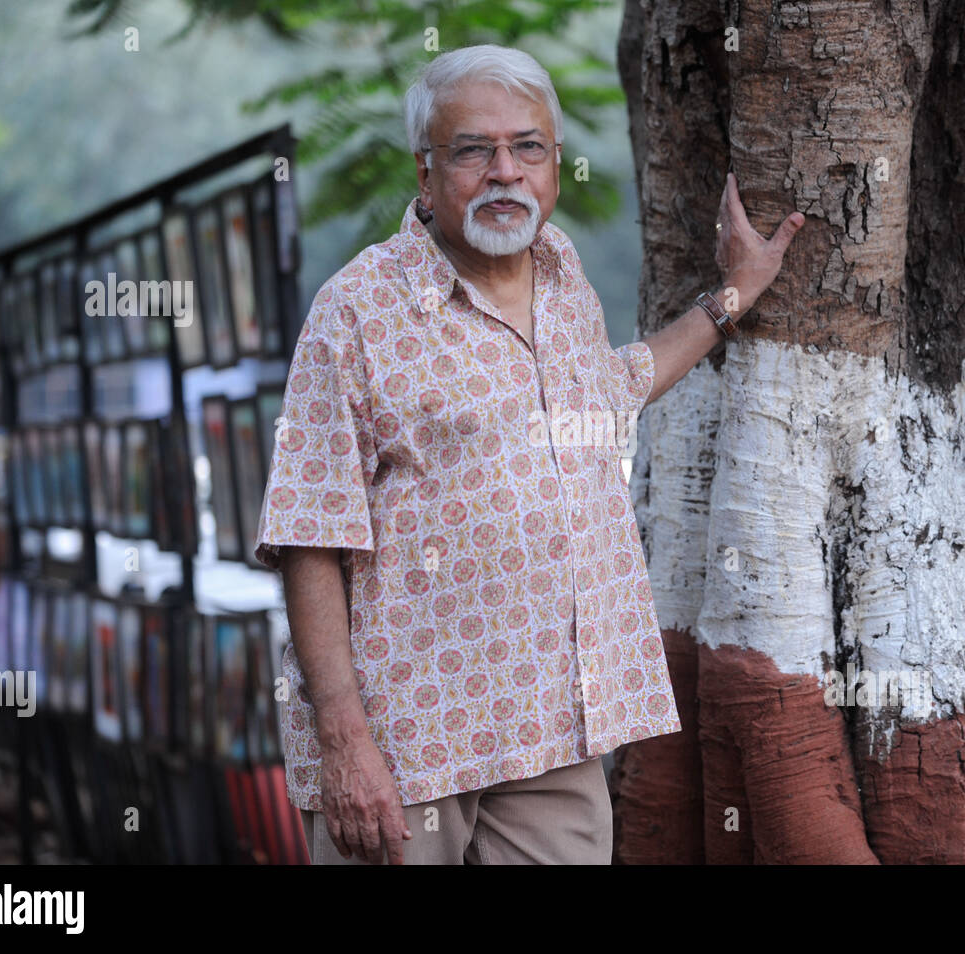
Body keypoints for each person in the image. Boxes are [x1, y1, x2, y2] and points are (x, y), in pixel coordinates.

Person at [253, 42, 804, 865]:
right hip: (410, 744)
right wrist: (344, 742)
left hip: (557, 727)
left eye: (528, 147)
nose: (504, 171)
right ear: (426, 171)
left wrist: (732, 299)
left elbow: (611, 388)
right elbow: (308, 532)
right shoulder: (358, 312)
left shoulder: (562, 272)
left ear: (552, 164)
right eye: (474, 150)